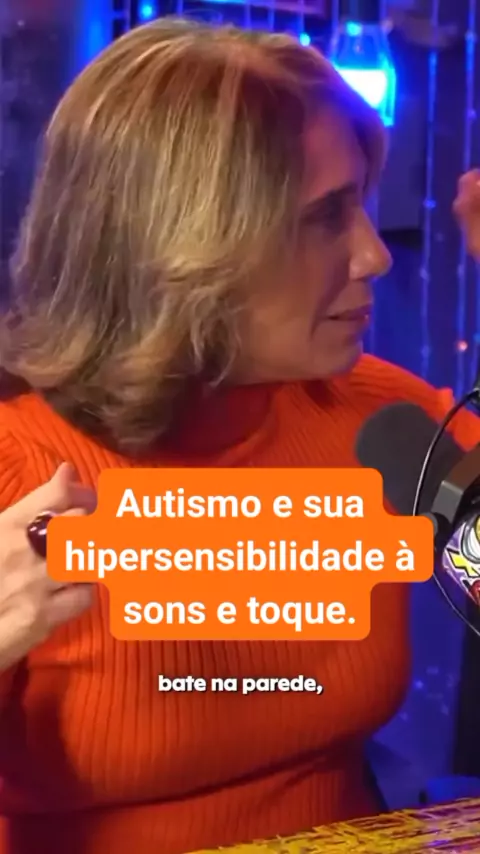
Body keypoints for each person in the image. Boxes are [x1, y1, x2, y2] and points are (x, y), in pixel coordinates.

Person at [0, 17, 479, 854]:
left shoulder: (382, 421)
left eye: (361, 205)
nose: (375, 256)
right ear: (186, 249)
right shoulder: (17, 471)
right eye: (325, 217)